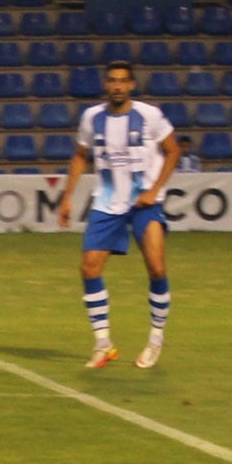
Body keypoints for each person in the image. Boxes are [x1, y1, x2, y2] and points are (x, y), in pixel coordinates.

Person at [55, 60, 181, 370]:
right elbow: (80, 155)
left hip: (144, 203)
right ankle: (103, 343)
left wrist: (154, 190)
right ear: (105, 84)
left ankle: (155, 338)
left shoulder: (148, 115)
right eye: (112, 80)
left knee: (156, 267)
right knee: (89, 268)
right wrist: (68, 197)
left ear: (131, 85)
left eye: (123, 81)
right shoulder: (92, 118)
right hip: (107, 202)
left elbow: (174, 151)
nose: (117, 86)